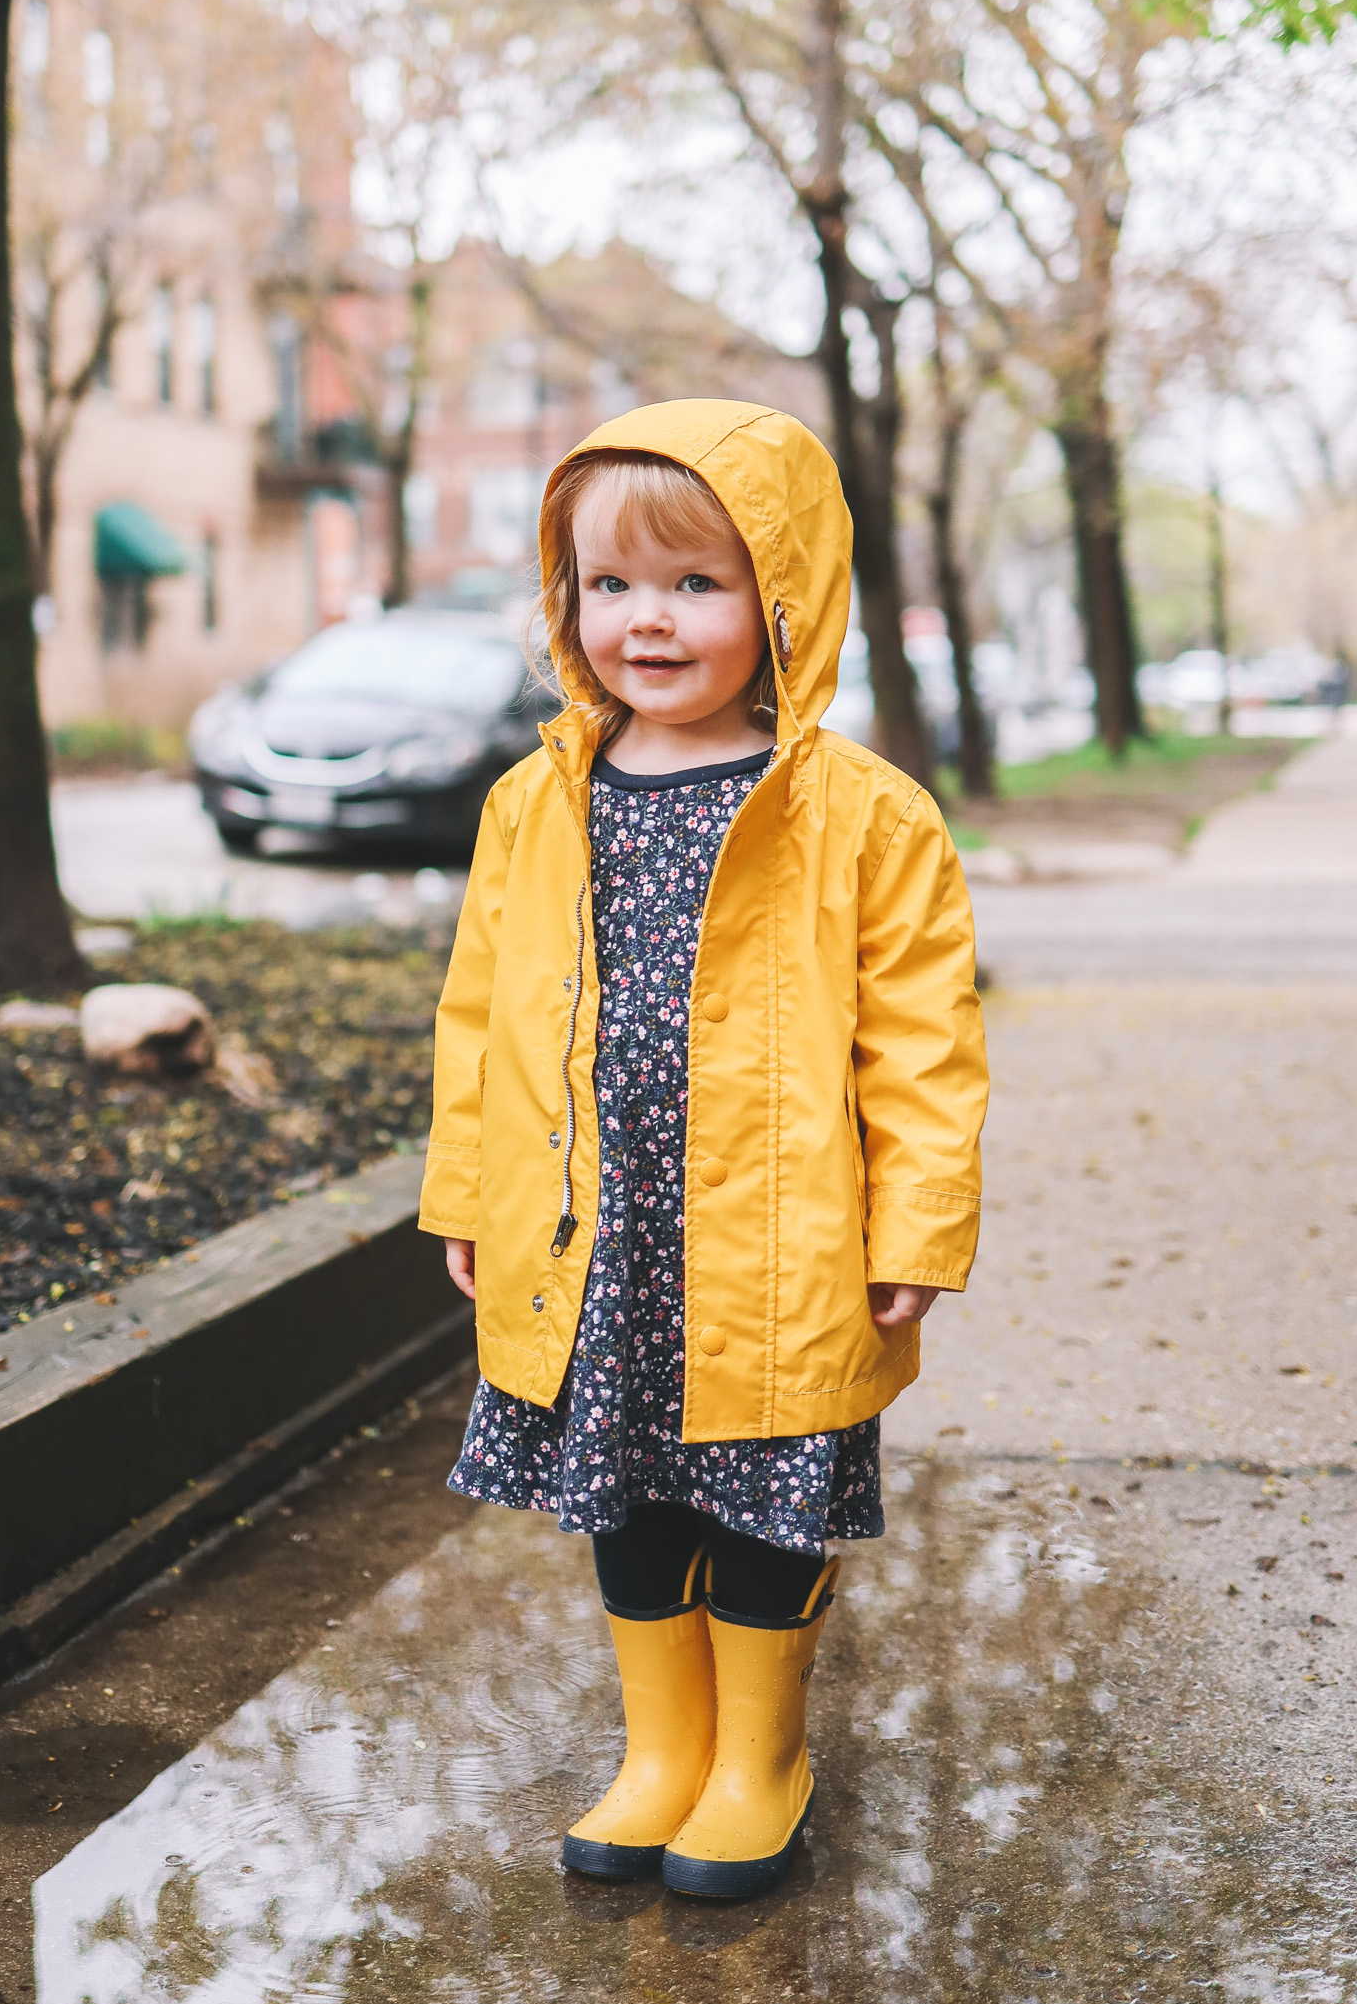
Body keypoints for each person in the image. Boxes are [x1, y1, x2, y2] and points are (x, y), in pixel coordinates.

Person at [420, 400, 988, 1899]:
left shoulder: (864, 819)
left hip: (784, 1233)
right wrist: (470, 1189)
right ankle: (664, 1750)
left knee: (767, 1484)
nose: (646, 623)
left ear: (782, 599)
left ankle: (762, 1759)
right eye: (610, 586)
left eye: (694, 585)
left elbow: (922, 1049)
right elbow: (480, 1018)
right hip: (601, 1230)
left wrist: (917, 1232)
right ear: (566, 601)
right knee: (623, 1481)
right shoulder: (537, 803)